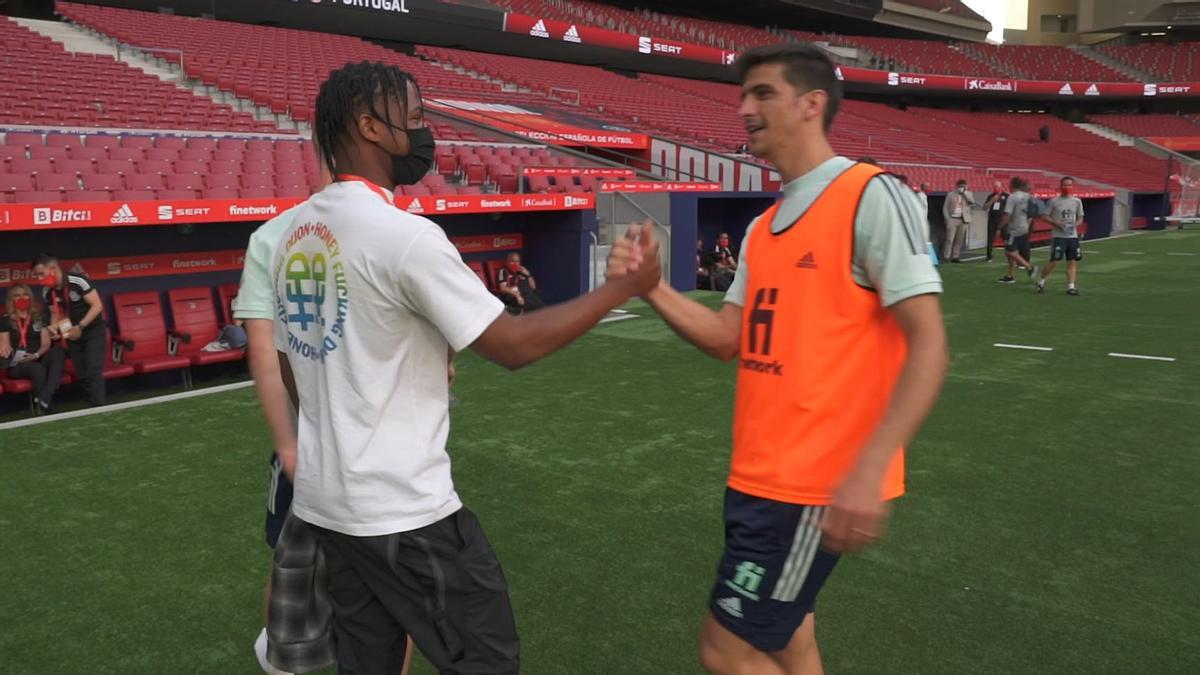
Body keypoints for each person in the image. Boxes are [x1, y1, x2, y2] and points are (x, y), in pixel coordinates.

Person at [269, 61, 660, 675]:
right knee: (486, 660)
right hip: (404, 508)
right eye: (416, 119)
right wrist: (619, 290)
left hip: (327, 505)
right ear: (370, 126)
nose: (426, 134)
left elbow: (293, 365)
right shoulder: (406, 236)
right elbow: (511, 345)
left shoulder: (288, 234)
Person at [616, 44, 948, 674]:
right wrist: (651, 287)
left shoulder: (869, 194)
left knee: (726, 649)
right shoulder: (763, 228)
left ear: (811, 104)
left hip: (813, 485)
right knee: (788, 636)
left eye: (762, 93)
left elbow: (929, 341)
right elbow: (726, 338)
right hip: (759, 477)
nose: (744, 108)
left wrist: (867, 469)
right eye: (743, 95)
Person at [31, 254, 107, 406]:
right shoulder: (47, 291)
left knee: (93, 371)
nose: (39, 279)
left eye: (41, 274)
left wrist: (80, 326)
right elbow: (55, 315)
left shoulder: (77, 280)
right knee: (82, 375)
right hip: (72, 335)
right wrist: (55, 328)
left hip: (92, 331)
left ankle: (100, 408)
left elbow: (97, 305)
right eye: (37, 275)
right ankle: (90, 406)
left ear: (53, 269)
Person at [0, 283, 67, 412]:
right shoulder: (5, 320)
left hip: (37, 357)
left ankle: (45, 396)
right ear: (11, 300)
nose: (22, 298)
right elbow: (5, 345)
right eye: (17, 296)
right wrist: (5, 348)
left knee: (58, 351)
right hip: (18, 364)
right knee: (37, 368)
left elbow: (46, 344)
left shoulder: (38, 317)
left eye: (25, 295)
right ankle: (49, 409)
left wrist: (36, 355)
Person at [1037, 176, 1085, 295]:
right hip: (1059, 236)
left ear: (1073, 186)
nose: (1067, 187)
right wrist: (1056, 223)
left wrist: (1075, 225)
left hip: (1072, 236)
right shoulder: (1054, 201)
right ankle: (1041, 281)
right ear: (1060, 186)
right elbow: (1044, 216)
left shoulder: (1077, 201)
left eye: (1069, 185)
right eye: (1065, 185)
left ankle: (1071, 286)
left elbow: (1080, 217)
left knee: (1072, 261)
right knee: (1054, 261)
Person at [997, 177, 1039, 284]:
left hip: (1015, 228)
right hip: (1025, 226)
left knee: (1009, 251)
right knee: (1012, 252)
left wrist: (999, 227)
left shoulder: (1012, 197)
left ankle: (1029, 267)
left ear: (1011, 185)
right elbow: (1032, 212)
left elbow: (1007, 215)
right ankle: (1010, 275)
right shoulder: (1027, 196)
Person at [942, 178, 974, 263]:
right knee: (949, 239)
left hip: (963, 219)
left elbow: (971, 203)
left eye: (963, 187)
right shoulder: (951, 194)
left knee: (959, 239)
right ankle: (946, 255)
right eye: (960, 187)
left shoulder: (969, 194)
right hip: (953, 218)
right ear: (957, 186)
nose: (961, 188)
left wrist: (964, 194)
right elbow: (945, 207)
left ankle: (955, 256)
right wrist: (947, 218)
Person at [982, 180, 1009, 262]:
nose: (995, 188)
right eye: (994, 186)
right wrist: (992, 200)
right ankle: (989, 256)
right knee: (990, 238)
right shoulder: (991, 196)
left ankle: (1009, 256)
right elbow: (984, 207)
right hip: (992, 220)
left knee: (1006, 239)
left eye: (997, 186)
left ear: (1001, 187)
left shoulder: (1006, 196)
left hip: (1003, 220)